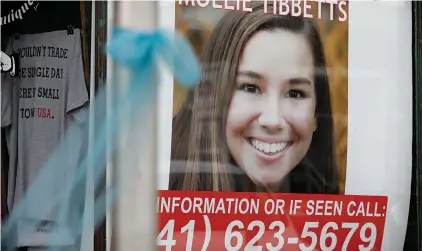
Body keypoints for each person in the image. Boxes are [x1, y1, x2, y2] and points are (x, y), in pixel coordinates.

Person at [169, 2, 339, 194]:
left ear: (317, 112)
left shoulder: (330, 206)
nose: (272, 120)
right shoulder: (151, 195)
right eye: (250, 88)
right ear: (213, 100)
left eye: (295, 93)